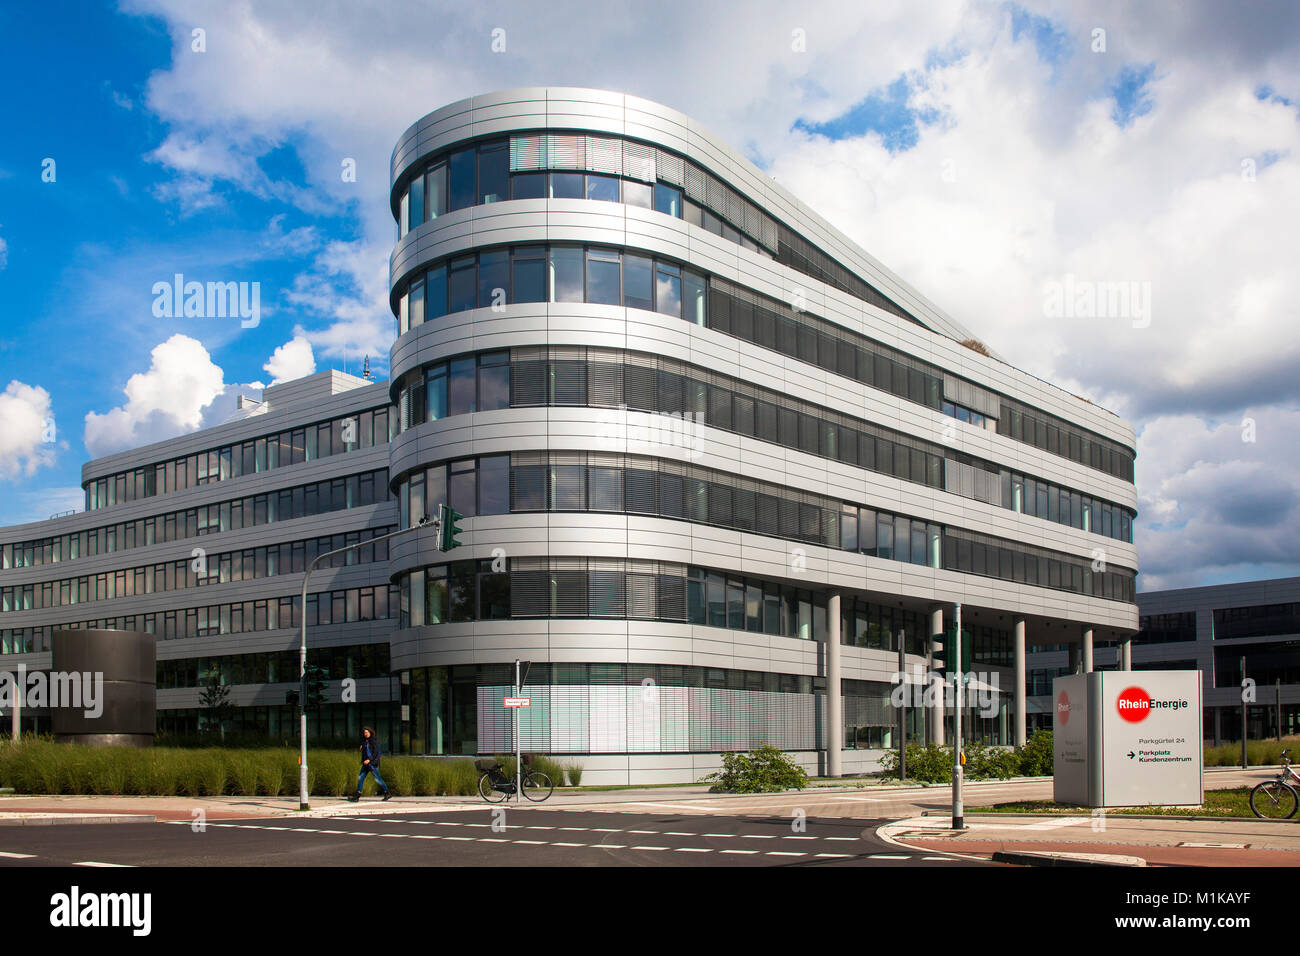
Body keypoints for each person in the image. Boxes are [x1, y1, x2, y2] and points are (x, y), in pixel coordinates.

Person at [349, 727, 392, 801]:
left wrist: (369, 760)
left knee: (378, 779)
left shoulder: (373, 741)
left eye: (367, 732)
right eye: (364, 733)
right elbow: (367, 750)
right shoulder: (365, 741)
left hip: (372, 764)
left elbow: (376, 752)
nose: (365, 734)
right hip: (366, 764)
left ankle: (387, 793)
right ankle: (357, 795)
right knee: (360, 778)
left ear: (370, 732)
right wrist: (363, 747)